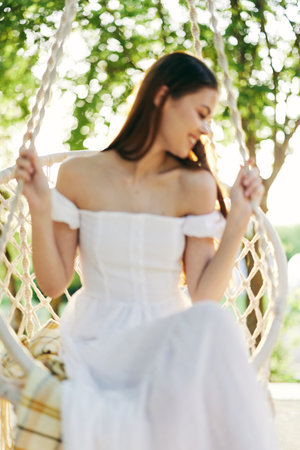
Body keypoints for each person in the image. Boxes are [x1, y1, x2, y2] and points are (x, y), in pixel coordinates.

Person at [15, 52, 279, 450]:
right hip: (95, 339)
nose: (205, 129)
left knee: (214, 323)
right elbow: (53, 284)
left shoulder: (195, 185)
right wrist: (39, 206)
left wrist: (238, 219)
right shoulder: (79, 174)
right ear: (162, 96)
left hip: (164, 340)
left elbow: (204, 296)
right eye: (201, 113)